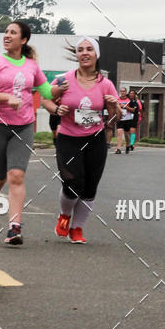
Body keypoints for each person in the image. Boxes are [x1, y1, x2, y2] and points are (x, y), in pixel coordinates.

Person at [0, 21, 59, 246]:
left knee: (16, 176)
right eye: (6, 32)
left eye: (13, 33)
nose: (7, 35)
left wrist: (63, 87)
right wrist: (6, 98)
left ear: (23, 40)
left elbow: (46, 91)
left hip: (23, 126)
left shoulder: (32, 66)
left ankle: (14, 228)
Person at [46, 38, 120, 244]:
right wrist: (55, 109)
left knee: (89, 188)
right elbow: (45, 97)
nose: (84, 53)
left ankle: (77, 229)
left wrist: (114, 107)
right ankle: (65, 215)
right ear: (76, 55)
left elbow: (114, 119)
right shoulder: (64, 80)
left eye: (89, 49)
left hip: (95, 139)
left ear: (97, 55)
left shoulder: (105, 84)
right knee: (71, 183)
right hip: (68, 138)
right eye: (80, 50)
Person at [116, 86, 133, 154]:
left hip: (127, 119)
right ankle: (118, 149)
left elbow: (133, 110)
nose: (122, 92)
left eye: (124, 91)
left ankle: (127, 146)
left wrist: (125, 107)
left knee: (126, 135)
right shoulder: (117, 99)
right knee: (119, 132)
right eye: (121, 91)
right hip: (120, 118)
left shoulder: (129, 100)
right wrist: (118, 107)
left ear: (126, 92)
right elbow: (114, 108)